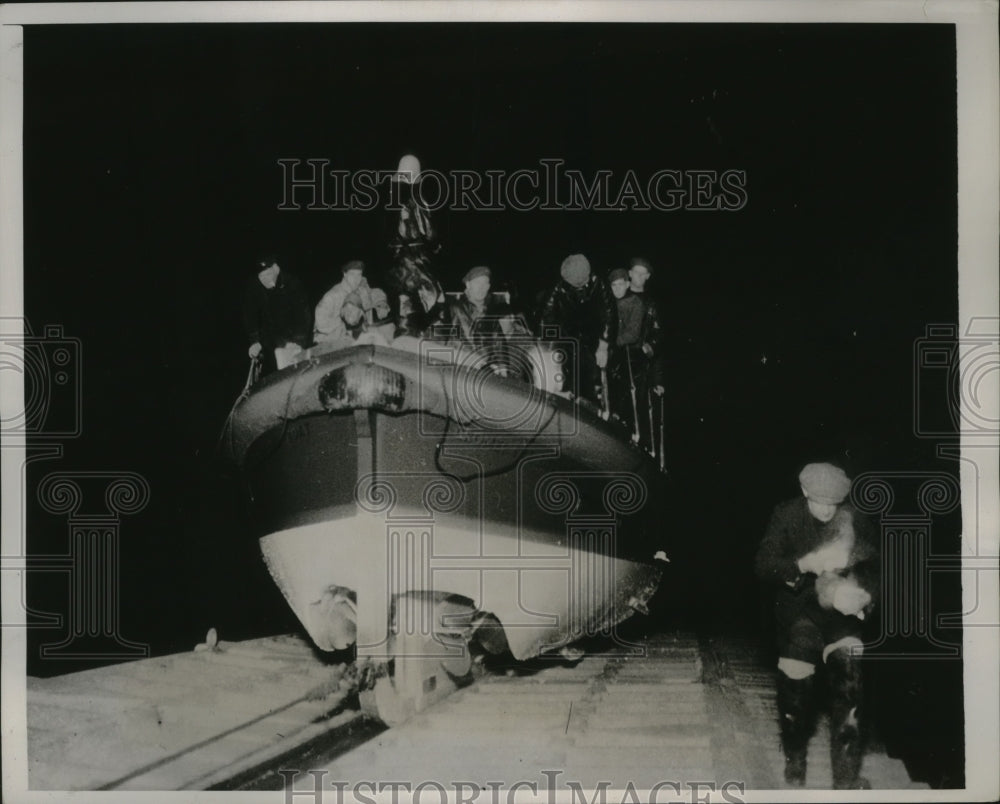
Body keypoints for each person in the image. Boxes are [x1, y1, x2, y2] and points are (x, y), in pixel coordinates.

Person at [754, 462, 880, 789]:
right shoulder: (786, 515)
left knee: (851, 687)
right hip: (800, 615)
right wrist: (801, 564)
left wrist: (864, 597)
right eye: (818, 502)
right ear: (804, 491)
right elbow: (763, 565)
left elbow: (874, 567)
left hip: (841, 617)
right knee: (795, 690)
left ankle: (846, 780)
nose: (826, 510)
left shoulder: (854, 519)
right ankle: (795, 763)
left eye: (832, 503)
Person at [538, 254, 616, 404]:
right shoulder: (558, 288)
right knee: (568, 379)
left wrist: (604, 345)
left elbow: (609, 315)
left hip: (594, 338)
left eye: (583, 282)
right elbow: (546, 319)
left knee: (594, 380)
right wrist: (548, 349)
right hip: (569, 338)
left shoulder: (600, 284)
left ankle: (595, 406)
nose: (580, 286)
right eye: (576, 284)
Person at [385, 154, 445, 333]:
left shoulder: (397, 199)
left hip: (404, 264)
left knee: (412, 305)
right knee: (428, 302)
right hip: (411, 264)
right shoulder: (415, 202)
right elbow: (429, 234)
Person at [440, 265, 533, 379]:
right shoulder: (455, 309)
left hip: (487, 370)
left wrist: (503, 365)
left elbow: (499, 340)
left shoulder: (489, 311)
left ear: (489, 286)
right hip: (464, 368)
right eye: (478, 283)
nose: (482, 288)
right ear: (468, 285)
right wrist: (481, 364)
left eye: (485, 284)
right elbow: (461, 341)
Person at [242, 254, 312, 375]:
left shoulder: (293, 284)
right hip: (273, 341)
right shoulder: (255, 288)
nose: (265, 279)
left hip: (297, 337)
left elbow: (303, 317)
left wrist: (298, 342)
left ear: (276, 269)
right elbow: (250, 316)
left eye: (268, 274)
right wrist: (255, 341)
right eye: (261, 276)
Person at [314, 260, 373, 344]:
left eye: (359, 274)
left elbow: (368, 318)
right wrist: (343, 324)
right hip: (328, 340)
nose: (356, 279)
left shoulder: (362, 292)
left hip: (354, 338)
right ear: (345, 274)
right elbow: (320, 323)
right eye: (352, 274)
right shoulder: (332, 295)